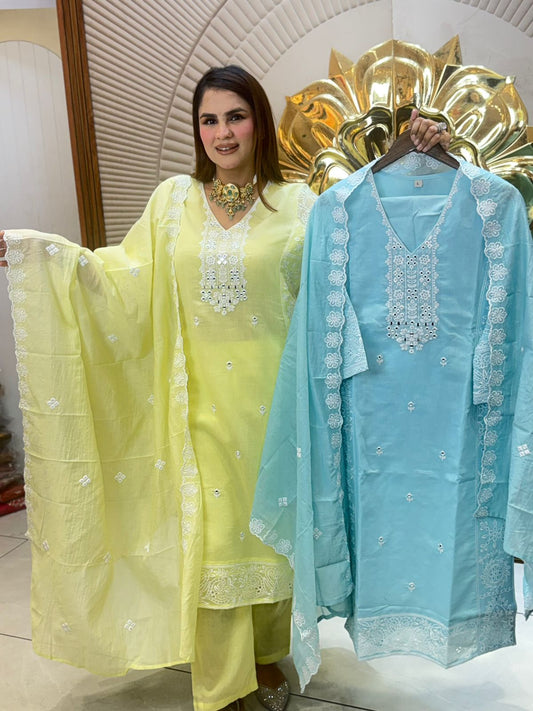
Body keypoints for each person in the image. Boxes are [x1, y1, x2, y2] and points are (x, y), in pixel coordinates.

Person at [0, 65, 451, 711]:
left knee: (268, 539)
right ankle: (221, 685)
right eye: (208, 120)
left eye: (235, 116)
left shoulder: (299, 204)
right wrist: (37, 253)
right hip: (194, 408)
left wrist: (409, 157)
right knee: (213, 541)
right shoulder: (173, 201)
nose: (222, 132)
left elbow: (357, 263)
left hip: (277, 407)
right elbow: (120, 277)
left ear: (258, 123)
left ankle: (264, 657)